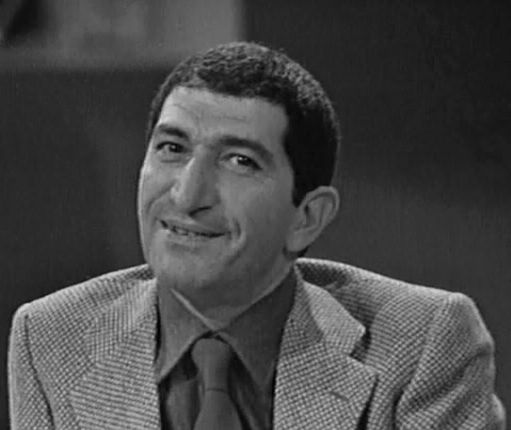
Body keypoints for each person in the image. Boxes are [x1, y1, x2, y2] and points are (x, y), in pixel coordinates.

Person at [8, 42, 504, 430]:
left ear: (306, 217)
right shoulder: (50, 338)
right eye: (172, 148)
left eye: (240, 161)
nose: (187, 195)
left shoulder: (422, 345)